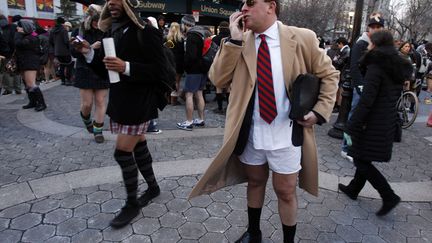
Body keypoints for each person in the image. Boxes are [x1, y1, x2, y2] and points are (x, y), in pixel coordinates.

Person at [188, 1, 339, 242]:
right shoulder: (239, 42)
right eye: (241, 4)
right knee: (255, 181)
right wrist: (234, 41)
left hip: (287, 131)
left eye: (250, 2)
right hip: (251, 130)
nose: (243, 8)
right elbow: (217, 79)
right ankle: (253, 232)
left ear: (271, 6)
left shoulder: (301, 38)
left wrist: (320, 111)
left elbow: (330, 75)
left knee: (286, 191)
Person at [72, 0, 166, 228]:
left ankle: (132, 204)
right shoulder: (112, 30)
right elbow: (105, 67)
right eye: (109, 2)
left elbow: (160, 70)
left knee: (122, 153)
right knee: (139, 145)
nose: (111, 4)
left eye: (117, 1)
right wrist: (87, 53)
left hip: (139, 103)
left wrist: (126, 67)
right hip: (121, 101)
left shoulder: (147, 31)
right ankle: (153, 188)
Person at [339, 30, 412, 216]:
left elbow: (367, 99)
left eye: (371, 43)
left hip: (371, 121)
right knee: (364, 156)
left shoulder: (376, 65)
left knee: (359, 158)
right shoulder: (397, 65)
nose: (368, 46)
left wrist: (352, 124)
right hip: (385, 119)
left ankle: (389, 196)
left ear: (377, 45)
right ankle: (354, 188)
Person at [341, 13, 384, 162]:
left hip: (372, 88)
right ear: (368, 28)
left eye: (379, 27)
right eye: (373, 27)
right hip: (361, 88)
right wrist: (360, 86)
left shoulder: (379, 45)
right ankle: (346, 147)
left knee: (364, 120)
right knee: (353, 118)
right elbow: (354, 68)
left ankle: (356, 147)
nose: (376, 29)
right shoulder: (361, 44)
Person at [71, 7, 109, 143]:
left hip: (101, 69)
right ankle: (86, 119)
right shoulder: (79, 31)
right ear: (89, 19)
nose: (96, 22)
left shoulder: (106, 30)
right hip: (85, 70)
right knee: (87, 104)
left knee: (100, 101)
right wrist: (90, 47)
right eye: (94, 20)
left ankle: (98, 130)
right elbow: (73, 52)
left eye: (99, 19)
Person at [176, 15, 207, 131]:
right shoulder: (200, 34)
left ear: (185, 24)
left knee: (189, 95)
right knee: (199, 94)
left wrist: (185, 66)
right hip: (202, 68)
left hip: (193, 70)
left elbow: (191, 56)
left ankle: (188, 122)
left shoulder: (191, 36)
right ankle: (200, 119)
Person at [15, 19, 47, 111]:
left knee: (31, 83)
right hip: (23, 62)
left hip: (30, 62)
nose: (17, 28)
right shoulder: (25, 36)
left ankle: (42, 103)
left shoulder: (31, 37)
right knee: (27, 84)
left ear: (25, 27)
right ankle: (32, 102)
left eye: (19, 26)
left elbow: (19, 44)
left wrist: (17, 35)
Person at [212, 21, 231, 114]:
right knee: (228, 86)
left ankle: (219, 108)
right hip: (229, 64)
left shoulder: (215, 39)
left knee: (218, 86)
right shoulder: (231, 38)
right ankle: (228, 106)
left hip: (218, 63)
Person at [0, 14, 22, 95]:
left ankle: (8, 89)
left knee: (5, 71)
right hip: (16, 51)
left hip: (4, 53)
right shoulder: (13, 26)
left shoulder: (1, 29)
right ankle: (18, 89)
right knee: (16, 70)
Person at [165, 22, 185, 105]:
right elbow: (182, 52)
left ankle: (168, 98)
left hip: (168, 62)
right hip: (178, 63)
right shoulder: (181, 39)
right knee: (177, 81)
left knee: (169, 81)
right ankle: (174, 99)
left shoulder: (167, 38)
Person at [50, 17, 73, 86]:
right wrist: (70, 47)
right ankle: (68, 80)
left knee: (62, 66)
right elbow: (66, 41)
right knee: (69, 65)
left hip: (57, 51)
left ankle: (62, 81)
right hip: (65, 51)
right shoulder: (63, 30)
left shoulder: (52, 30)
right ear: (63, 23)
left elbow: (50, 41)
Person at [332, 37, 350, 113]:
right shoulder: (343, 51)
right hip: (341, 73)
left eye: (338, 44)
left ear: (341, 44)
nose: (338, 46)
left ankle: (338, 106)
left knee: (340, 90)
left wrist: (335, 60)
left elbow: (339, 62)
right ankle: (337, 105)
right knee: (339, 90)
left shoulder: (346, 51)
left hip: (343, 73)